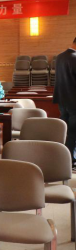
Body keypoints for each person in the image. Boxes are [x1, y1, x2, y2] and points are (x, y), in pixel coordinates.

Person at [53, 37, 76, 167]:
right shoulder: (75, 57)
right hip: (74, 101)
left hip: (62, 99)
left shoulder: (60, 57)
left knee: (65, 130)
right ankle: (69, 160)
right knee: (73, 131)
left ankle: (63, 158)